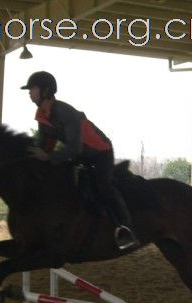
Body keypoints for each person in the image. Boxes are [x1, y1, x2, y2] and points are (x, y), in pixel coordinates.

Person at [21, 71, 138, 250]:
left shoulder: (65, 112)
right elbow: (46, 144)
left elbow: (74, 148)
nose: (29, 92)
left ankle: (125, 228)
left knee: (102, 186)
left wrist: (49, 157)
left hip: (100, 153)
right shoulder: (42, 115)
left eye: (32, 89)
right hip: (79, 154)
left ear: (45, 91)